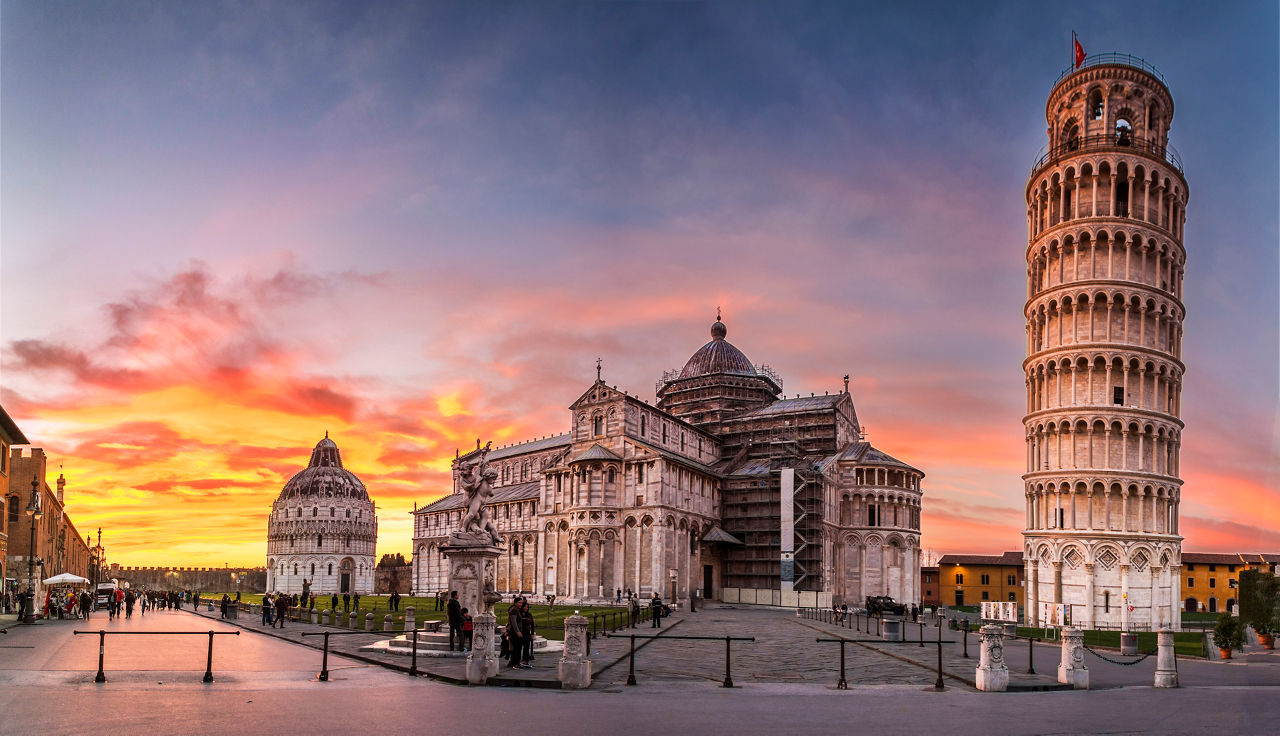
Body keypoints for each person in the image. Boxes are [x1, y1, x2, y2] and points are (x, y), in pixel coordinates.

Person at [506, 601, 526, 669]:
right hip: (514, 633)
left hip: (516, 632)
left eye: (521, 603)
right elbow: (514, 622)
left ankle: (516, 663)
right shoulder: (514, 610)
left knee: (518, 648)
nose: (521, 604)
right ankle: (515, 663)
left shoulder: (516, 610)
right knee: (516, 648)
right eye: (519, 602)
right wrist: (518, 631)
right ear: (515, 603)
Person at [520, 600, 536, 665]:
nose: (526, 608)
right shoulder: (519, 614)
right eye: (525, 606)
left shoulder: (529, 615)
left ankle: (525, 660)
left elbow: (532, 625)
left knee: (526, 647)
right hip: (520, 632)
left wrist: (532, 633)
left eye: (527, 607)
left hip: (526, 632)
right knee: (518, 647)